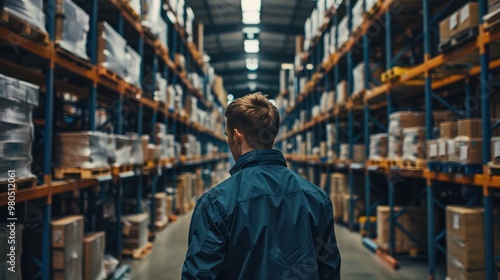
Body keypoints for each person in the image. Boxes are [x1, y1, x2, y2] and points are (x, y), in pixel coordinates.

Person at [182, 92, 341, 279]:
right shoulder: (317, 198)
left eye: (227, 135)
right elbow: (328, 270)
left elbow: (199, 275)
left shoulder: (215, 203)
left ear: (236, 136)